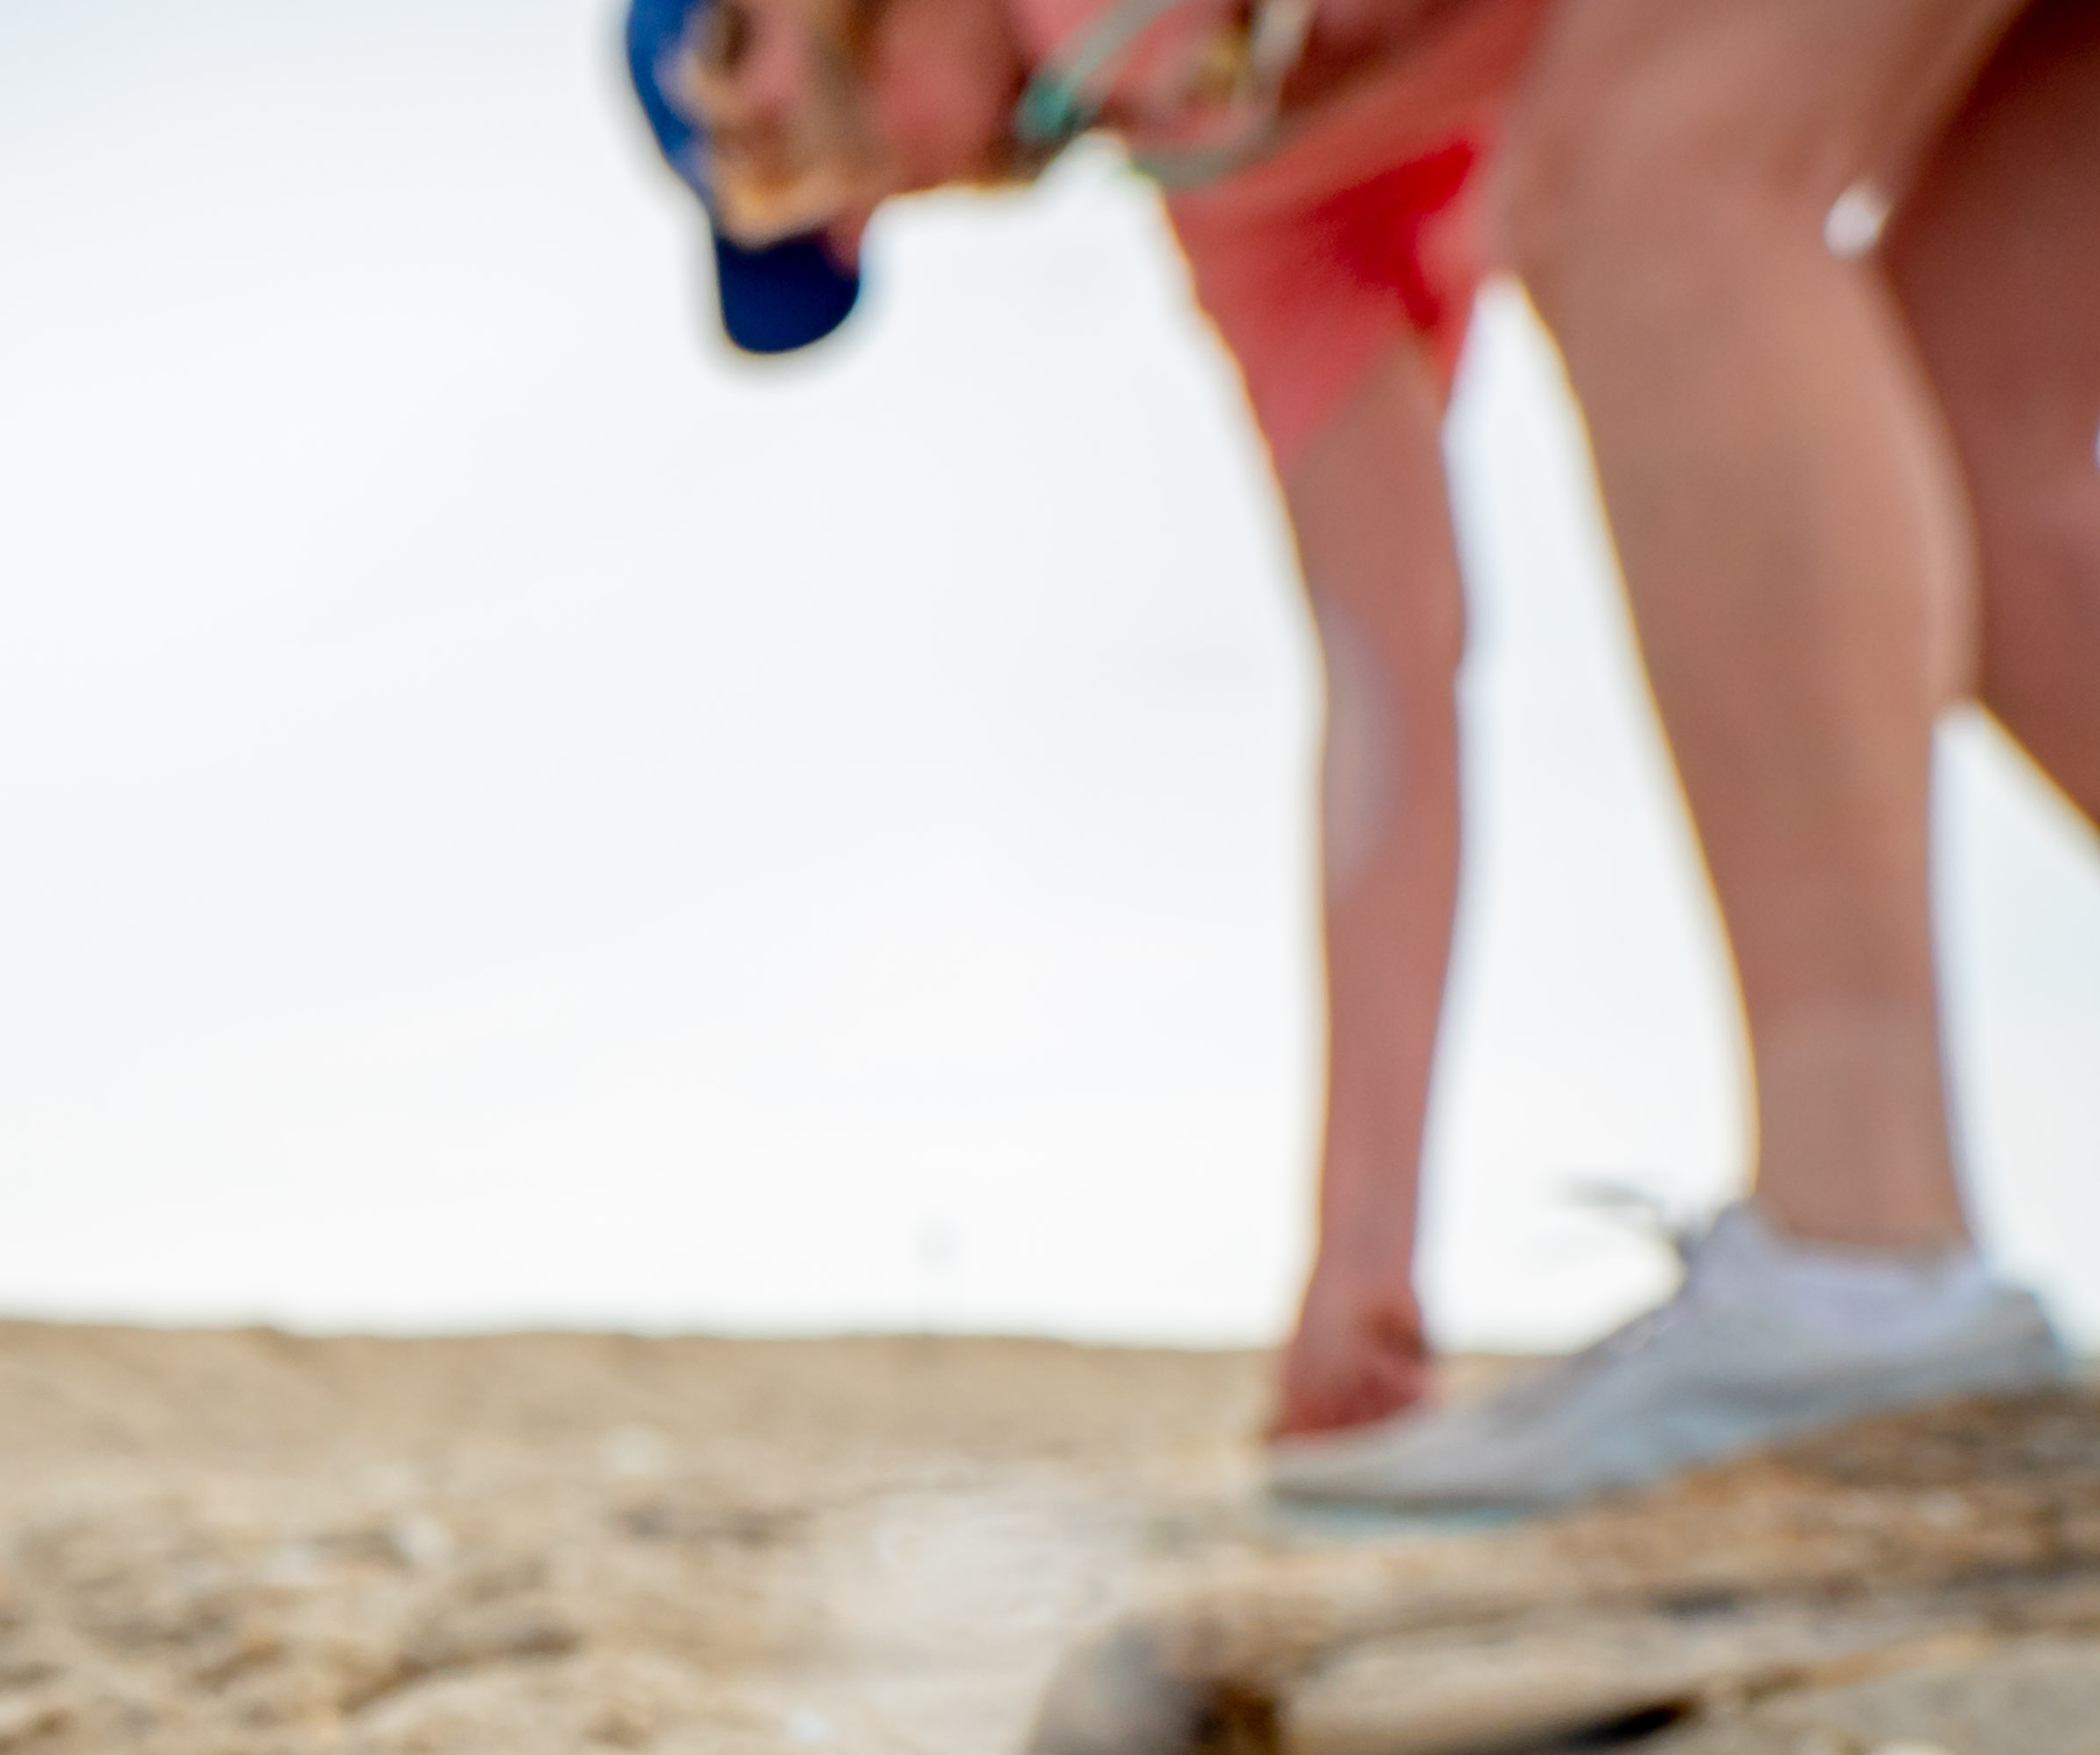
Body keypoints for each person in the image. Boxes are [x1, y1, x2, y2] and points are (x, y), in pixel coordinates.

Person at [626, 0, 2091, 1508]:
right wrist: (1362, 1263)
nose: (838, 189)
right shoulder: (1239, 184)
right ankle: (1864, 1275)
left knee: (1652, 183)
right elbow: (1388, 684)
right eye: (806, 209)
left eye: (740, 65)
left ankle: (1861, 1260)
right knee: (1973, 453)